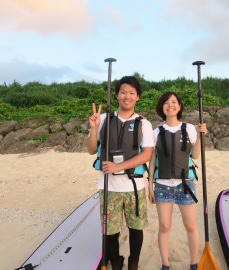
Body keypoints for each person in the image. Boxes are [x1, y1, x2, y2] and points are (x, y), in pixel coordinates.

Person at [87, 76, 154, 270]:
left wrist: (120, 166)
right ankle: (116, 261)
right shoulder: (104, 120)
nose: (127, 96)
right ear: (116, 95)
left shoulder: (145, 124)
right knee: (110, 231)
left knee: (136, 228)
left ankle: (133, 262)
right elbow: (92, 150)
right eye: (123, 92)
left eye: (132, 93)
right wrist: (93, 129)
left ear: (138, 97)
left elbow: (147, 154)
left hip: (135, 186)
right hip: (109, 186)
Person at [148, 91, 208, 270]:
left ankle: (193, 263)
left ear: (179, 106)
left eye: (174, 102)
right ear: (162, 107)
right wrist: (149, 185)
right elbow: (152, 160)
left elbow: (196, 155)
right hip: (162, 185)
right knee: (164, 226)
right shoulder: (156, 132)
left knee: (190, 225)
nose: (170, 105)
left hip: (185, 184)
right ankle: (165, 264)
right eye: (166, 102)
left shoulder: (189, 128)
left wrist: (201, 136)